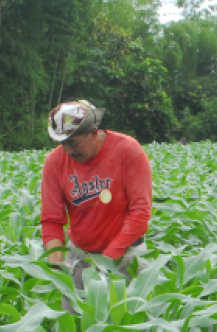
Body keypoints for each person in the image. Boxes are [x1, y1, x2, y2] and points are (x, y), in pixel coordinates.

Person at [41, 99, 152, 314]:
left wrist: (107, 260)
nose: (67, 150)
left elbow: (140, 213)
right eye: (61, 143)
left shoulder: (128, 151)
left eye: (73, 143)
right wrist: (57, 262)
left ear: (93, 133)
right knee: (75, 326)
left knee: (131, 325)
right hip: (80, 255)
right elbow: (52, 219)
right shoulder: (54, 163)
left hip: (125, 253)